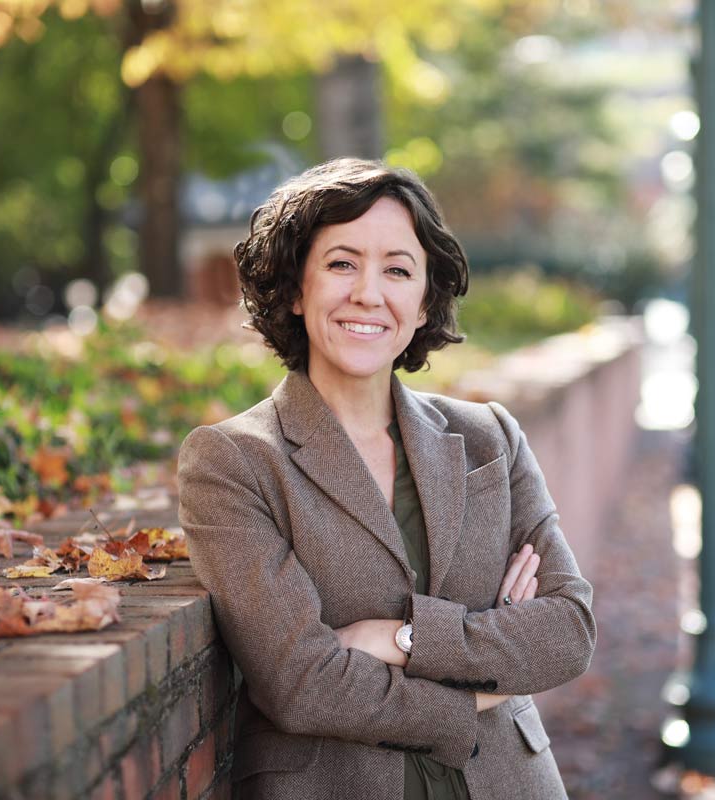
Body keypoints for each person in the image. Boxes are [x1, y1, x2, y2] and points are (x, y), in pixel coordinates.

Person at [177, 158, 596, 800]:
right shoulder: (232, 462)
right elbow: (303, 684)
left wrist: (399, 639)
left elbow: (567, 630)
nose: (369, 293)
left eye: (398, 270)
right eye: (342, 263)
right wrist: (490, 673)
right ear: (295, 288)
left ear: (424, 301)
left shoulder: (490, 437)